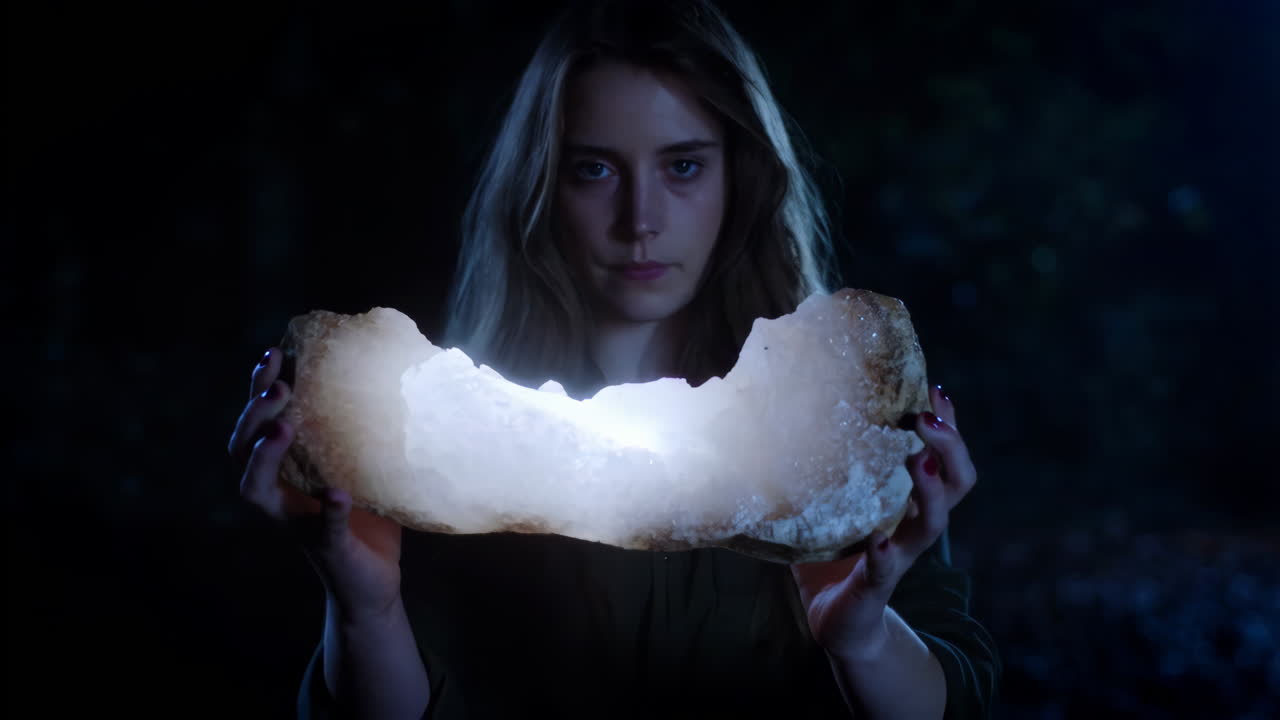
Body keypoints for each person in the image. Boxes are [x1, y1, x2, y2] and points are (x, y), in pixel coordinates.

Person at [228, 1, 1001, 717]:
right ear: (542, 185)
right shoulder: (430, 450)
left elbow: (955, 697)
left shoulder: (837, 442)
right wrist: (363, 606)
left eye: (683, 166)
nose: (641, 221)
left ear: (742, 174)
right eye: (594, 169)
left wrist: (863, 637)